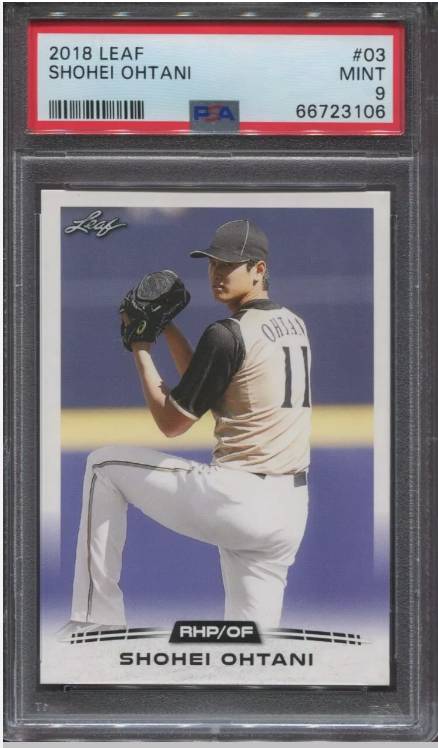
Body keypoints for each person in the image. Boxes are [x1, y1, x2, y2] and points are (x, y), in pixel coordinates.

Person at [59, 219, 311, 640]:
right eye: (212, 263)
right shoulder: (294, 324)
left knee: (103, 466)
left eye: (228, 265)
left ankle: (95, 619)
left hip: (238, 498)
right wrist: (168, 327)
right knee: (250, 648)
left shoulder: (227, 333)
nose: (216, 273)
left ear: (259, 269)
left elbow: (171, 424)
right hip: (288, 512)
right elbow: (213, 386)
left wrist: (141, 347)